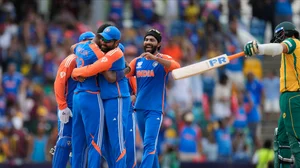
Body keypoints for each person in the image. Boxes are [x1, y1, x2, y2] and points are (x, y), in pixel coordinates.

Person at [72, 25, 131, 168]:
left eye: (108, 41)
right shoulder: (102, 49)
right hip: (104, 99)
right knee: (105, 144)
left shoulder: (114, 53)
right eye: (102, 38)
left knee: (117, 141)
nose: (104, 42)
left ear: (116, 43)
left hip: (117, 98)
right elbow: (74, 46)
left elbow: (109, 77)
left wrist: (75, 72)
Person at [243, 21, 300, 168]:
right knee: (281, 139)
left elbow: (279, 47)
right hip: (290, 97)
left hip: (293, 96)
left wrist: (258, 48)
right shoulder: (292, 54)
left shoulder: (294, 42)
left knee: (296, 141)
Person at [126, 29, 180, 168]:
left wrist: (155, 59)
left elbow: (176, 66)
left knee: (149, 144)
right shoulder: (137, 61)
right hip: (139, 109)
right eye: (146, 39)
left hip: (154, 110)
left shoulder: (163, 60)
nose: (148, 42)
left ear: (158, 44)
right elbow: (123, 75)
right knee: (149, 145)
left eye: (152, 40)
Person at [51, 31, 95, 168]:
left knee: (81, 145)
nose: (89, 45)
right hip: (69, 108)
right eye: (87, 41)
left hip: (84, 108)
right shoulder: (72, 59)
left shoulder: (94, 60)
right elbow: (59, 82)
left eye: (92, 42)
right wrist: (62, 106)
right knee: (65, 142)